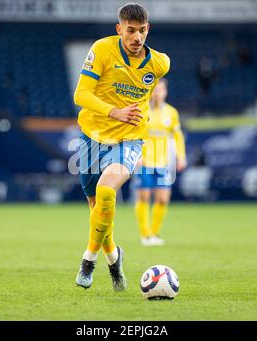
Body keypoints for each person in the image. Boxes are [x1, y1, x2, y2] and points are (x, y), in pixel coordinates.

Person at [73, 3, 170, 290]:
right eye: (130, 31)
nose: (136, 37)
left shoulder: (160, 63)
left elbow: (151, 86)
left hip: (129, 139)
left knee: (106, 190)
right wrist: (114, 111)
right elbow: (81, 94)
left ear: (147, 29)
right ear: (119, 29)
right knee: (97, 211)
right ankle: (114, 258)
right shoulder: (102, 50)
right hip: (91, 137)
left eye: (141, 31)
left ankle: (87, 261)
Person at [134, 78, 186, 246]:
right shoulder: (142, 110)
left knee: (163, 198)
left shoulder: (171, 113)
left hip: (163, 162)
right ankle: (145, 235)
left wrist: (181, 156)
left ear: (165, 92)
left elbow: (177, 136)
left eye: (160, 89)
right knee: (144, 196)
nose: (157, 93)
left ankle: (155, 233)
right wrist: (135, 155)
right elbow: (133, 134)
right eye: (154, 90)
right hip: (144, 161)